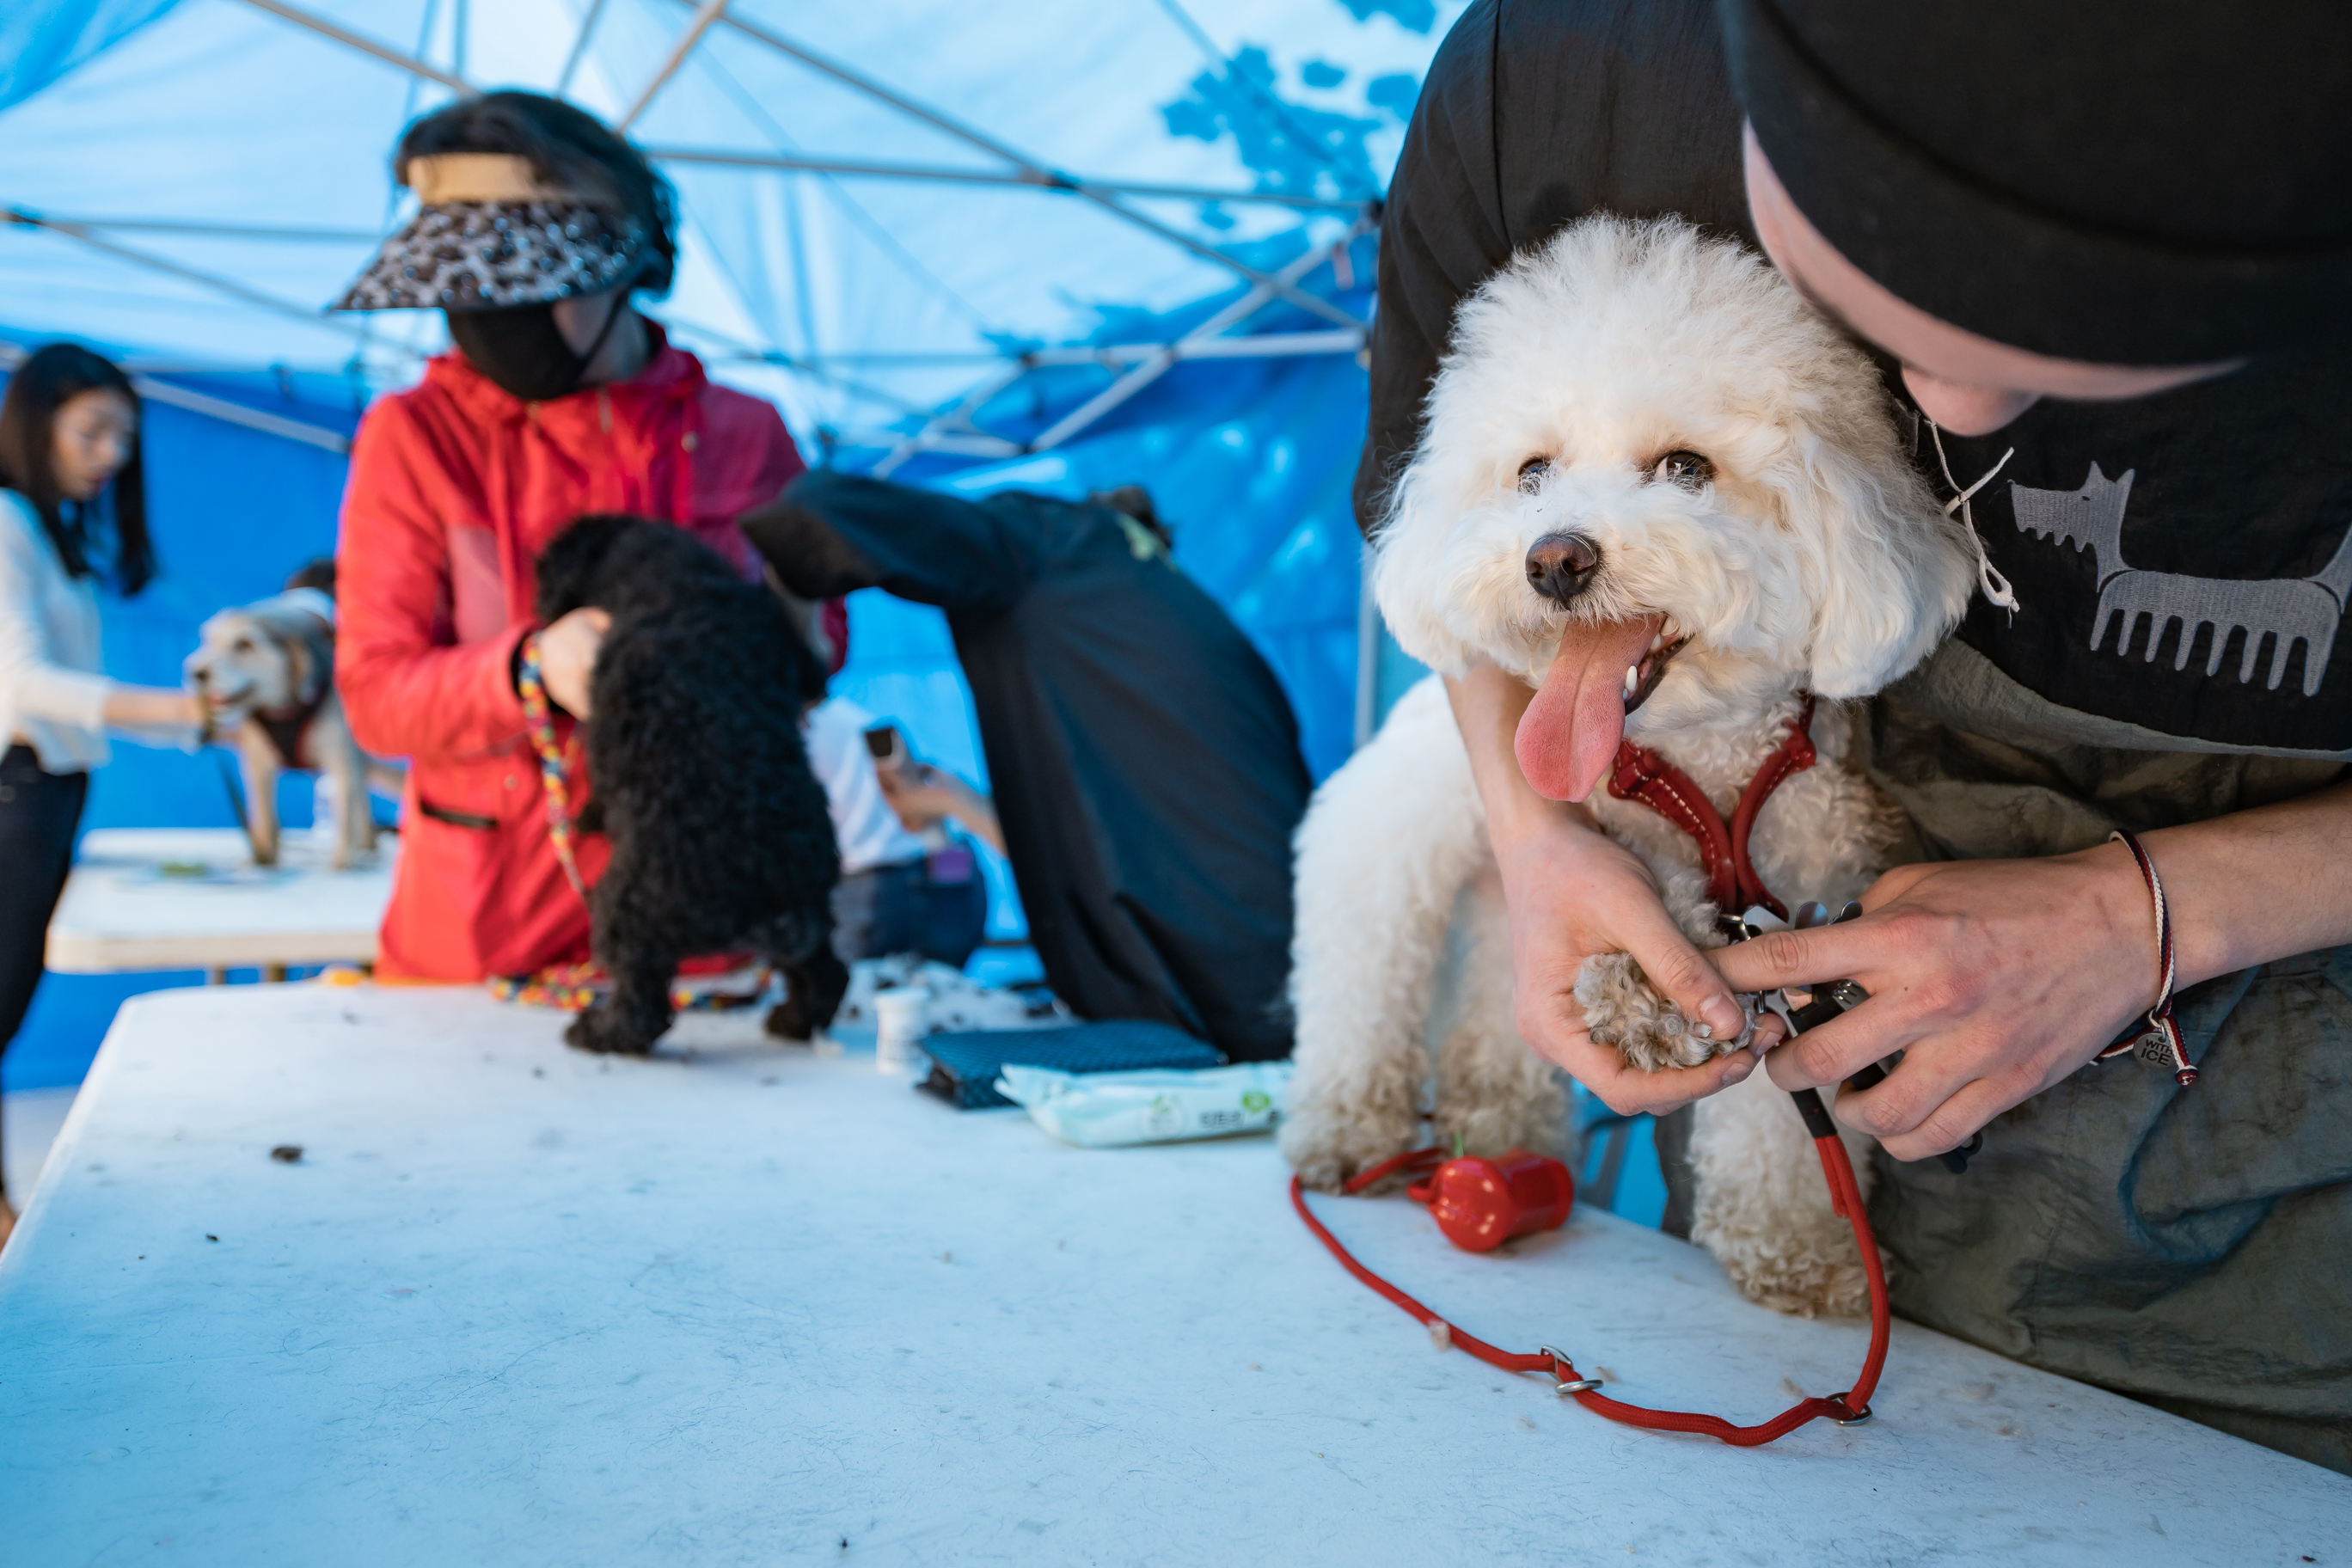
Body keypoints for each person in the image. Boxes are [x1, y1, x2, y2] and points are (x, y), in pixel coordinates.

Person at [1364, 0, 2352, 1468]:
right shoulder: (1550, 78)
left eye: (2106, 343)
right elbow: (1446, 519)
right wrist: (1537, 829)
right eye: (1892, 299)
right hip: (1833, 1261)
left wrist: (2139, 912)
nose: (1957, 414)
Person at [329, 92, 837, 984]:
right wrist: (527, 668)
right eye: (465, 289)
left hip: (699, 921)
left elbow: (815, 659)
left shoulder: (745, 433)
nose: (492, 316)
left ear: (628, 264)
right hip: (482, 938)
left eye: (529, 288)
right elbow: (375, 694)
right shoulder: (415, 435)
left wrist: (791, 614)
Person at [744, 475, 1311, 1063]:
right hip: (1287, 1001)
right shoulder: (1174, 621)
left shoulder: (1046, 544)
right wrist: (953, 804)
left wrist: (805, 646)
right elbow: (1117, 843)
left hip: (1209, 1018)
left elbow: (814, 512)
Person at [0, 344, 201, 1245]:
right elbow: (24, 683)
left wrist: (198, 723)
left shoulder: (47, 530)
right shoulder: (4, 519)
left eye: (124, 435)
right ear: (36, 422)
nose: (112, 453)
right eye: (94, 430)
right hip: (17, 792)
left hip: (53, 791)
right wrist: (175, 707)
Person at [802, 695, 992, 968]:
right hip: (947, 857)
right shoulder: (848, 714)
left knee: (876, 993)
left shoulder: (800, 720)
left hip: (879, 881)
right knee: (943, 986)